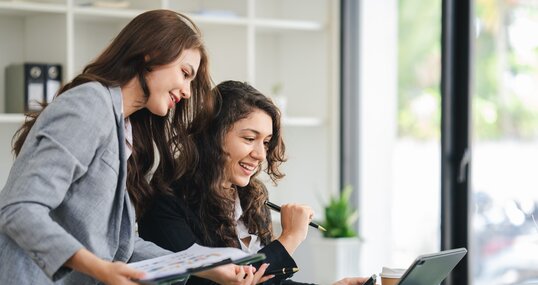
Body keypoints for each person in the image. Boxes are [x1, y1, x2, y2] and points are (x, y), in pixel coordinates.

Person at [0, 10, 269, 285]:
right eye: (185, 73)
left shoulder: (124, 130)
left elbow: (121, 247)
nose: (187, 91)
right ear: (150, 55)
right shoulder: (89, 105)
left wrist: (206, 267)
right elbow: (20, 209)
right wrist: (100, 268)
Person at [138, 80, 369, 285]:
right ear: (212, 135)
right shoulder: (166, 202)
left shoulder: (253, 198)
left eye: (266, 142)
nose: (260, 154)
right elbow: (226, 281)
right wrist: (289, 239)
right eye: (249, 139)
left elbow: (267, 283)